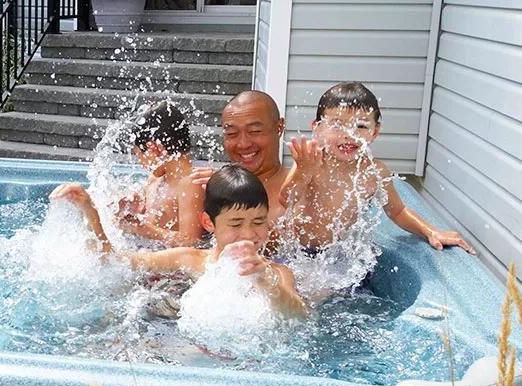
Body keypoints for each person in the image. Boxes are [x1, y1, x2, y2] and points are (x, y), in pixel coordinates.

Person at [50, 165, 306, 318]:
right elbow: (114, 261)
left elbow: (297, 314)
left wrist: (264, 281)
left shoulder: (277, 273)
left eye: (259, 222)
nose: (249, 234)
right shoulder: (189, 259)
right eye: (236, 224)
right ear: (208, 223)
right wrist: (90, 212)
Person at [279, 81, 475, 254]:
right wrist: (303, 172)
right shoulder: (313, 163)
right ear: (318, 127)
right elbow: (286, 200)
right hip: (298, 253)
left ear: (375, 131)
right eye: (337, 125)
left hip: (337, 256)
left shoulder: (374, 171)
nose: (349, 135)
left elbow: (397, 211)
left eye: (361, 126)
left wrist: (430, 231)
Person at [113, 100, 205, 247]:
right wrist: (130, 209)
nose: (141, 163)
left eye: (140, 155)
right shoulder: (154, 181)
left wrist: (141, 228)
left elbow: (191, 243)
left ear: (154, 147)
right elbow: (148, 222)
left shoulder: (191, 185)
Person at [191, 91, 289, 226]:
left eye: (254, 131)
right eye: (232, 134)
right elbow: (187, 241)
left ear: (279, 128)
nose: (243, 144)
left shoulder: (298, 189)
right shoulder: (209, 187)